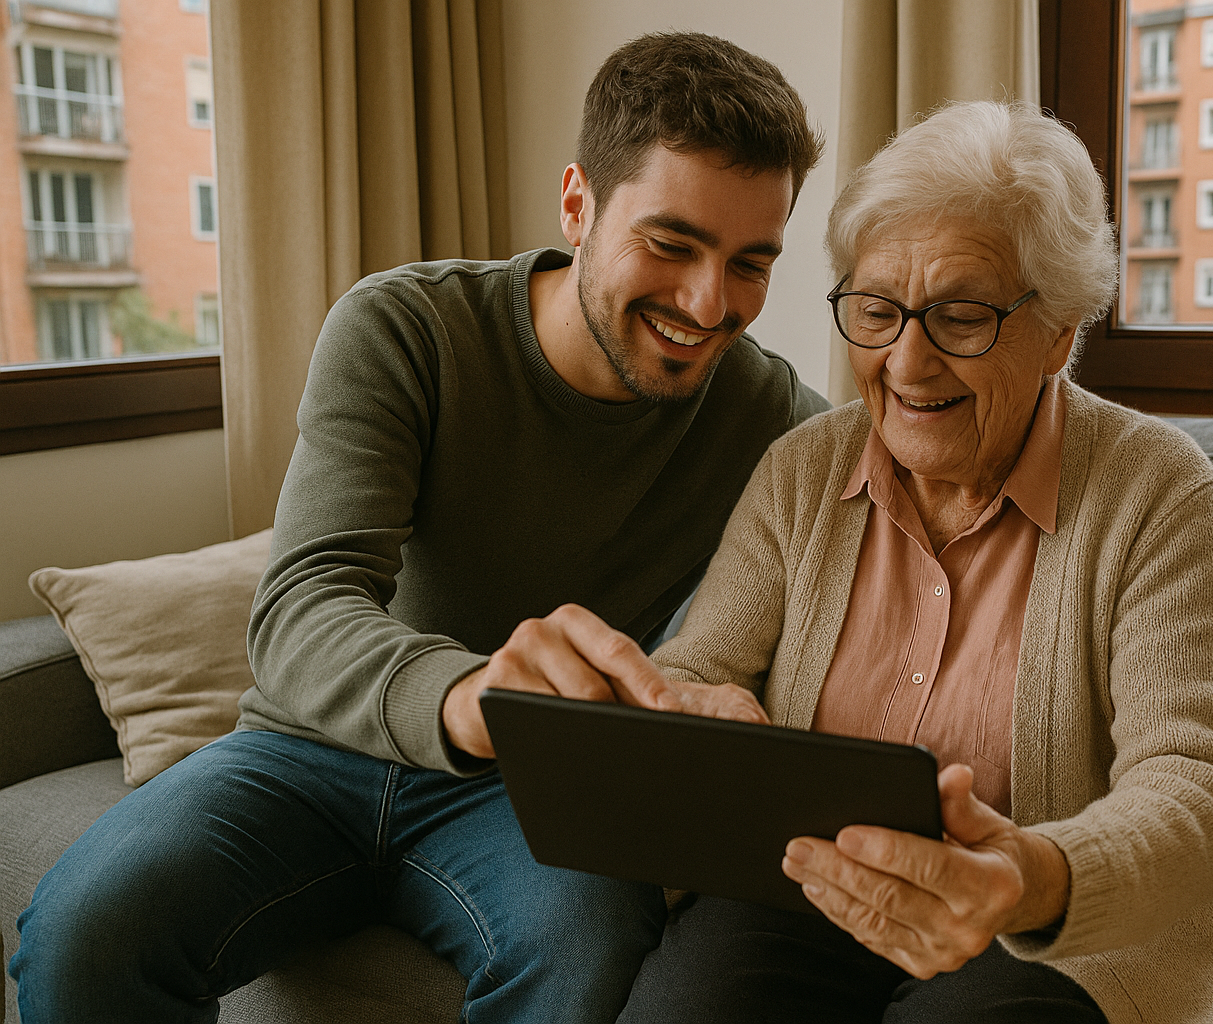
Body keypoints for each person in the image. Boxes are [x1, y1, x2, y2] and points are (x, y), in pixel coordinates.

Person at [10, 32, 826, 1023]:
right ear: (579, 204)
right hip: (312, 752)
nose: (711, 302)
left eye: (751, 262)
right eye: (672, 243)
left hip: (534, 797)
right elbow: (300, 611)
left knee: (592, 959)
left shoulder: (773, 416)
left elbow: (908, 469)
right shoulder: (406, 329)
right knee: (83, 934)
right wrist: (471, 692)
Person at [614, 101, 1213, 1024]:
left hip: (1050, 924)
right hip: (808, 890)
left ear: (1060, 333)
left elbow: (1199, 777)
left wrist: (1032, 875)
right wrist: (696, 712)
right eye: (876, 311)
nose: (906, 361)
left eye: (961, 316)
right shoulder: (803, 470)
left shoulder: (1153, 489)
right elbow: (694, 668)